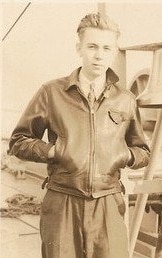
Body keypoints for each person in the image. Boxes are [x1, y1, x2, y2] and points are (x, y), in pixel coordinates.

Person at [8, 13, 150, 258]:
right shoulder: (52, 93)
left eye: (106, 47)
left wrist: (123, 154)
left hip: (108, 201)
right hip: (62, 199)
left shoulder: (125, 99)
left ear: (114, 51)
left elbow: (143, 152)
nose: (99, 54)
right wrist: (54, 151)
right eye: (92, 46)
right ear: (79, 48)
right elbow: (18, 142)